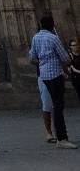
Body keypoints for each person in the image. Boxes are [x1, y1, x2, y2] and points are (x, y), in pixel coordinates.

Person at [29, 13, 76, 149]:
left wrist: (43, 62)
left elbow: (32, 58)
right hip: (55, 74)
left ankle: (55, 135)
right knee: (58, 106)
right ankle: (61, 138)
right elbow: (65, 58)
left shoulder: (36, 38)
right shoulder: (53, 38)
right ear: (52, 25)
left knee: (52, 105)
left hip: (43, 75)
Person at [68, 37, 80, 106]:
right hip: (76, 78)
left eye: (76, 45)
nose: (76, 46)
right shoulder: (70, 56)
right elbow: (73, 68)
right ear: (70, 47)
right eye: (73, 45)